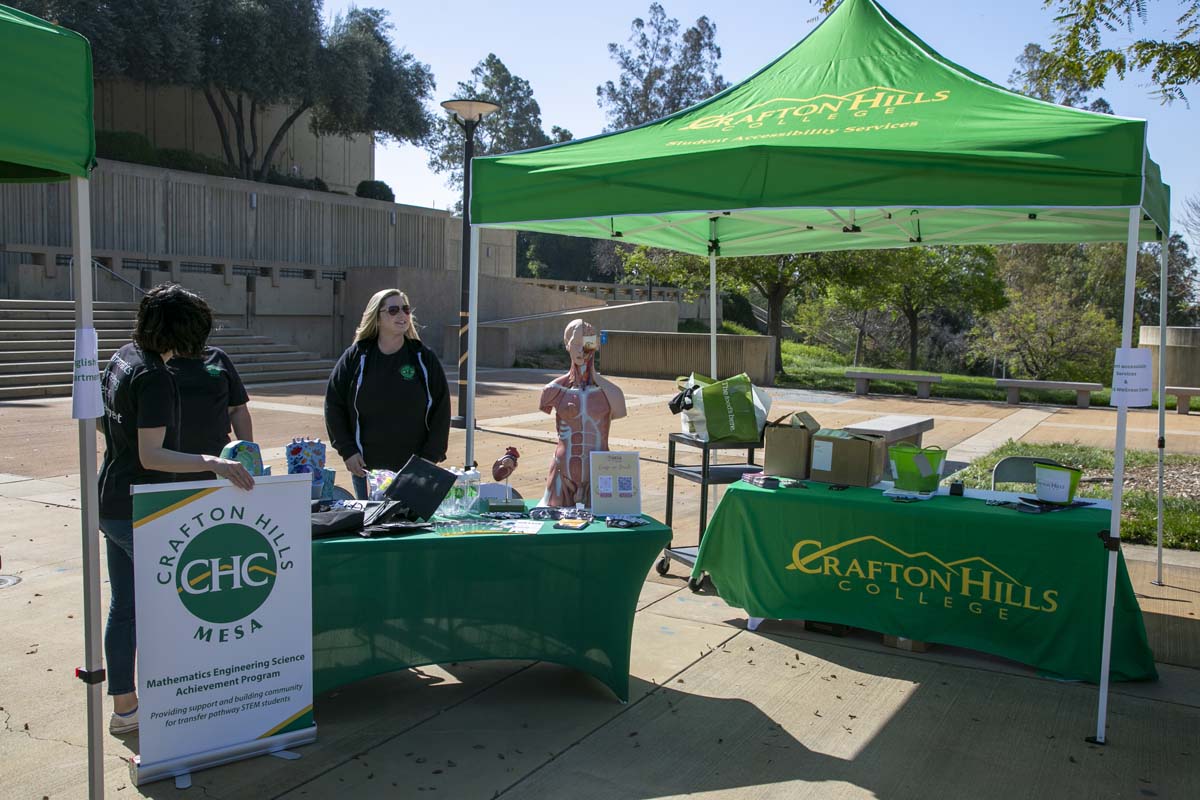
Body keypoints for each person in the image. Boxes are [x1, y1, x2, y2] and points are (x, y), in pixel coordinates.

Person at [98, 284, 255, 736]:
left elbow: (102, 423)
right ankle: (179, 704)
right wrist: (213, 463)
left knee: (125, 605)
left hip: (112, 498)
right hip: (140, 505)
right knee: (177, 604)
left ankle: (125, 708)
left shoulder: (124, 356)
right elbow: (153, 454)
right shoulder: (154, 376)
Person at [324, 288, 451, 499]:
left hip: (415, 469)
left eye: (406, 309)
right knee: (374, 527)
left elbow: (441, 408)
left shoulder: (422, 357)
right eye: (393, 310)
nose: (402, 315)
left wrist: (430, 457)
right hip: (367, 469)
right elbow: (333, 404)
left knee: (413, 528)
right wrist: (348, 450)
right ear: (377, 317)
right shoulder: (357, 356)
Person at [538, 319, 627, 506]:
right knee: (555, 527)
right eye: (575, 345)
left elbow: (619, 410)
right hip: (562, 473)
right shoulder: (553, 390)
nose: (580, 351)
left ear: (593, 346)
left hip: (600, 474)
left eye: (585, 345)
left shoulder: (612, 393)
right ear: (567, 346)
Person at [168, 345, 253, 479]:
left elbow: (238, 409)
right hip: (170, 467)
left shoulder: (218, 357)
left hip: (220, 465)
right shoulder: (157, 363)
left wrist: (251, 456)